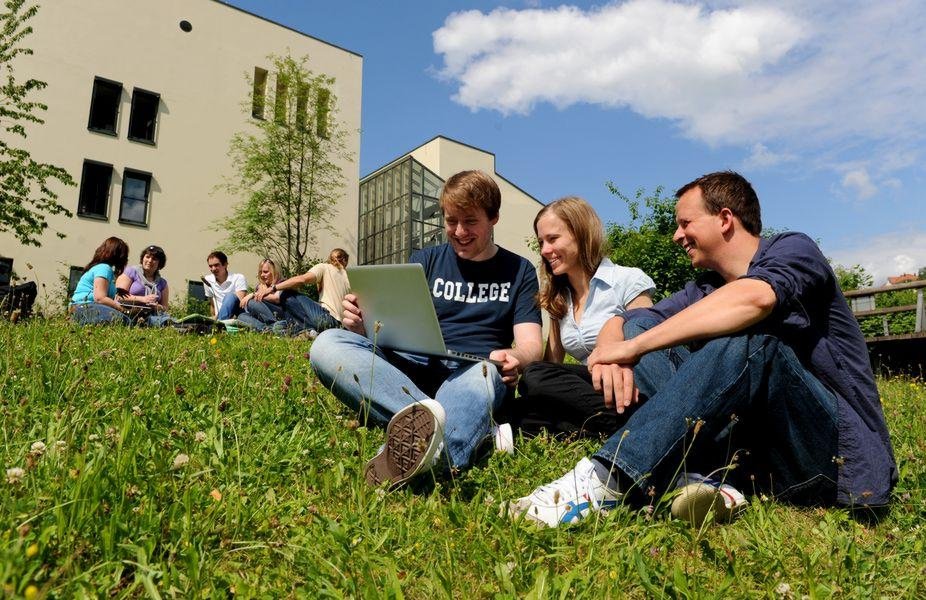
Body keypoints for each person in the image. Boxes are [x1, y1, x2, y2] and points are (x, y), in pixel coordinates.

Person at [510, 171, 897, 527]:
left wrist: (635, 347)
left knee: (752, 339)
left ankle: (605, 481)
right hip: (754, 462)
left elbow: (754, 301)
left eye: (685, 223)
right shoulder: (705, 287)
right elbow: (631, 321)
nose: (677, 236)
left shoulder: (792, 249)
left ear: (725, 218)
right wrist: (613, 348)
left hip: (833, 454)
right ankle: (702, 478)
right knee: (645, 323)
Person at [310, 170, 543, 490]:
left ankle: (414, 450)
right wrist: (364, 326)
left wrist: (516, 355)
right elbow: (394, 323)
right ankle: (466, 429)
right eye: (450, 221)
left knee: (484, 377)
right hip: (409, 366)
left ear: (494, 218)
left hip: (474, 370)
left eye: (470, 221)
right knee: (327, 344)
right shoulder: (426, 260)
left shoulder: (520, 271)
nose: (459, 232)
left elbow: (532, 345)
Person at [509, 197, 655, 437]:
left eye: (553, 239)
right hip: (590, 390)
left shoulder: (627, 280)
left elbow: (649, 344)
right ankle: (599, 426)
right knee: (530, 382)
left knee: (534, 383)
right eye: (541, 242)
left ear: (580, 234)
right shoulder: (559, 298)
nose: (545, 250)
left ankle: (635, 424)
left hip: (629, 385)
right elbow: (550, 365)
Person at [255, 248, 351, 334]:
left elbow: (302, 280)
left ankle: (298, 328)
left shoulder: (325, 267)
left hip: (326, 319)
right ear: (345, 261)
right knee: (279, 325)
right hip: (339, 327)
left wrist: (273, 288)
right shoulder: (349, 277)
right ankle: (307, 331)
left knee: (287, 292)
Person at [69, 237, 132, 325]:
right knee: (124, 320)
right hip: (85, 306)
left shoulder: (99, 268)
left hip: (81, 307)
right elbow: (100, 298)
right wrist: (123, 310)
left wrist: (117, 291)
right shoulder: (104, 268)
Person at [115, 244, 171, 326]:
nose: (150, 260)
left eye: (154, 259)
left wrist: (157, 307)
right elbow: (119, 297)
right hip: (128, 313)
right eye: (147, 257)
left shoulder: (162, 283)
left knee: (165, 320)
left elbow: (165, 307)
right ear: (143, 258)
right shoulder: (131, 272)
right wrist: (143, 299)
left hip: (151, 315)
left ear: (160, 263)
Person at [238, 258, 286, 330]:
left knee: (251, 302)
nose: (262, 275)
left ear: (275, 272)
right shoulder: (260, 286)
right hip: (263, 318)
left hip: (280, 315)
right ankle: (267, 329)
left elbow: (276, 298)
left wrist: (253, 294)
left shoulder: (282, 283)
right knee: (242, 316)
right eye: (261, 272)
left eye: (265, 272)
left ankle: (273, 323)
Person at [203, 251, 247, 320]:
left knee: (230, 296)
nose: (213, 269)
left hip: (235, 316)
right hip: (219, 318)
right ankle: (218, 324)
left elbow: (240, 303)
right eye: (210, 266)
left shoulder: (238, 278)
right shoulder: (207, 280)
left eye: (216, 265)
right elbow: (212, 305)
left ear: (225, 264)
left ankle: (219, 324)